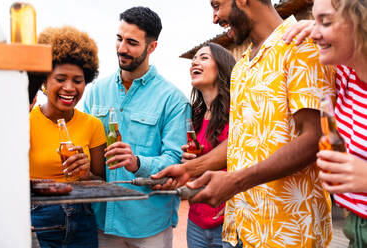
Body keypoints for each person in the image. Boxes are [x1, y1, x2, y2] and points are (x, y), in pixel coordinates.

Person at [153, 0, 336, 247]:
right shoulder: (241, 69)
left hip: (290, 234)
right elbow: (239, 141)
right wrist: (191, 169)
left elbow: (315, 138)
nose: (214, 18)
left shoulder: (301, 45)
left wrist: (236, 181)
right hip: (241, 230)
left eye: (217, 6)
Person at [83, 6, 191, 248]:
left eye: (131, 42)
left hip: (149, 227)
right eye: (119, 39)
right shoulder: (95, 92)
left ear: (152, 47)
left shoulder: (173, 100)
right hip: (101, 222)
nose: (122, 48)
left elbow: (176, 160)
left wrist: (137, 163)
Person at [282, 0, 367, 246]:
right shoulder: (346, 73)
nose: (314, 33)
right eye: (314, 19)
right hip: (355, 230)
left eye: (326, 21)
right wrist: (320, 27)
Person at [29, 26, 106, 247]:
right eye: (61, 78)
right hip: (37, 221)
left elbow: (101, 185)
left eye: (78, 80)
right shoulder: (26, 121)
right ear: (45, 81)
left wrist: (86, 174)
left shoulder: (93, 125)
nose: (69, 88)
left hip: (82, 223)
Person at [185, 42, 235, 248]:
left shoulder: (238, 112)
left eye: (204, 57)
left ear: (222, 67)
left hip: (228, 222)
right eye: (194, 58)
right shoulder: (193, 116)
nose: (195, 61)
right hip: (196, 220)